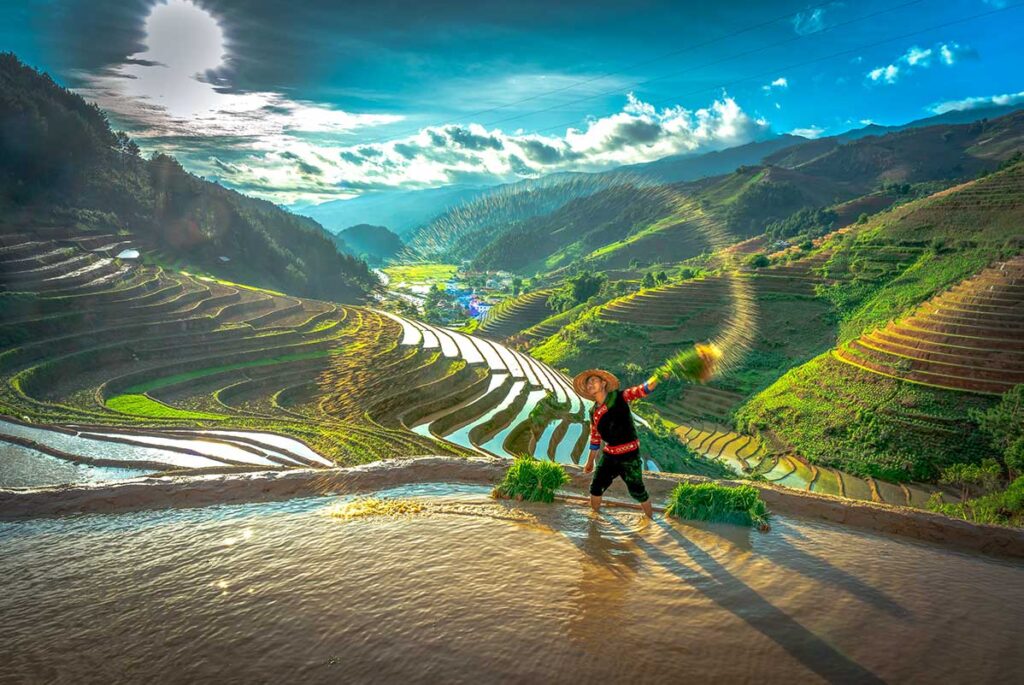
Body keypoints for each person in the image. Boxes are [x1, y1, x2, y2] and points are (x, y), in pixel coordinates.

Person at [572, 368, 663, 518]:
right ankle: (594, 521)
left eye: (593, 380)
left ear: (603, 383)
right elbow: (595, 438)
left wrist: (658, 376)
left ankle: (651, 521)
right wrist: (589, 463)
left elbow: (642, 390)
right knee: (595, 488)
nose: (590, 384)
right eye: (588, 383)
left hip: (629, 456)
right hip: (610, 456)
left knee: (638, 491)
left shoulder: (619, 397)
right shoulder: (593, 412)